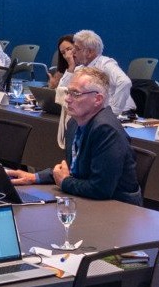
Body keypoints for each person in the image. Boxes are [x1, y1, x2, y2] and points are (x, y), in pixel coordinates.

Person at [8, 69, 144, 205]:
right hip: (88, 201)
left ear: (97, 99)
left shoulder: (106, 130)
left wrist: (65, 182)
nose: (67, 99)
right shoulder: (74, 123)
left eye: (75, 94)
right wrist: (34, 177)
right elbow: (73, 170)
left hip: (118, 209)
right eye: (68, 92)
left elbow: (101, 189)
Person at [57, 29, 135, 119]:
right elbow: (61, 92)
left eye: (77, 48)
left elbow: (125, 82)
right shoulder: (80, 68)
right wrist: (71, 66)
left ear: (89, 52)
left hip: (122, 114)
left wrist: (113, 112)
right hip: (97, 114)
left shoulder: (105, 64)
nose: (73, 52)